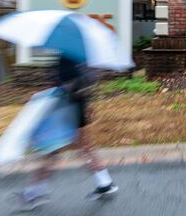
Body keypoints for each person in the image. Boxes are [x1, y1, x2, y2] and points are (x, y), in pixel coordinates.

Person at [11, 56, 118, 211]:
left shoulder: (67, 56)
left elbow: (69, 83)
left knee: (53, 150)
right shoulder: (78, 54)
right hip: (75, 106)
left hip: (67, 108)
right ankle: (105, 182)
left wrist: (53, 89)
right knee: (80, 148)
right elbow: (86, 81)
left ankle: (33, 193)